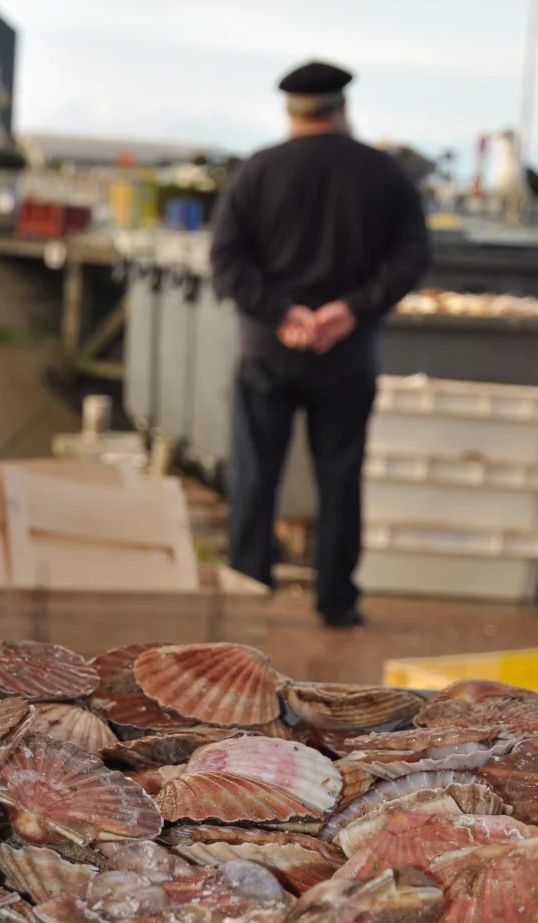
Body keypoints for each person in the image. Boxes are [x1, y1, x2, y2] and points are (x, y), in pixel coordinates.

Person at [211, 60, 430, 628]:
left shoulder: (256, 172)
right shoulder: (384, 173)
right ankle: (337, 601)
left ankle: (246, 598)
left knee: (255, 478)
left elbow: (226, 260)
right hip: (347, 355)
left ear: (291, 110)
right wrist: (349, 310)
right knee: (340, 477)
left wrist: (281, 311)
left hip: (268, 351)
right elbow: (412, 257)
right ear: (343, 107)